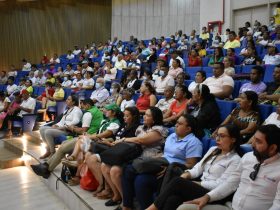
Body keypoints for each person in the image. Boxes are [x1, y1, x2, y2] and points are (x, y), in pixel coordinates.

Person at [179, 124, 280, 210]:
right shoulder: (247, 158)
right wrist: (207, 197)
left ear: (272, 148)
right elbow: (230, 184)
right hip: (231, 207)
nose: (252, 144)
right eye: (254, 139)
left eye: (258, 142)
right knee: (184, 208)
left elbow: (277, 205)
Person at [147, 124, 243, 210]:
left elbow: (220, 185)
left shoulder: (235, 160)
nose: (217, 139)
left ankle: (151, 208)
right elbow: (198, 168)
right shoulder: (213, 150)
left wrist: (197, 183)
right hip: (200, 187)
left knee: (178, 182)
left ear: (233, 139)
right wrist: (187, 174)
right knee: (173, 199)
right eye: (217, 135)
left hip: (214, 194)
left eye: (222, 136)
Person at [122, 114, 203, 210]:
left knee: (139, 178)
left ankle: (132, 206)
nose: (176, 125)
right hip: (161, 163)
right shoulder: (172, 136)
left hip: (172, 170)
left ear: (188, 129)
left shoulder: (193, 142)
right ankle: (128, 206)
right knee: (130, 172)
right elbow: (166, 153)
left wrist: (170, 167)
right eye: (176, 123)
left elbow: (191, 165)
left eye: (180, 124)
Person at [30, 99, 104, 178]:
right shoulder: (96, 111)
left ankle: (47, 168)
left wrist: (72, 128)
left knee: (63, 147)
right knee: (64, 144)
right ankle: (46, 166)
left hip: (87, 138)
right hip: (87, 136)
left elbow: (83, 130)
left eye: (82, 105)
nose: (81, 107)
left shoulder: (88, 113)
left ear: (87, 105)